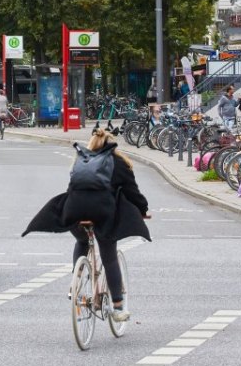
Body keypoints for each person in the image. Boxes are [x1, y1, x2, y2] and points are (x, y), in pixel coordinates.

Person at [23, 128, 151, 321]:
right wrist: (143, 210)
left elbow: (72, 188)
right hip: (103, 212)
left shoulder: (81, 161)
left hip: (74, 210)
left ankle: (76, 282)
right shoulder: (118, 162)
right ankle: (117, 307)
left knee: (82, 241)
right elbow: (133, 193)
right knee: (109, 257)